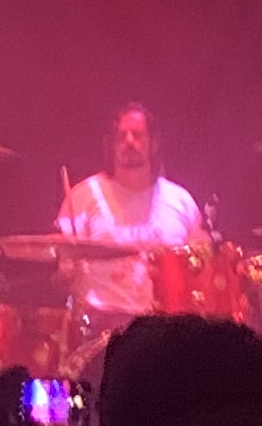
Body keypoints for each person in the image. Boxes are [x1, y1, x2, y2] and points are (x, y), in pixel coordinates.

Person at [55, 102, 206, 348]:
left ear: (153, 143)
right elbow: (61, 269)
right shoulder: (84, 197)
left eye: (137, 135)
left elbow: (200, 269)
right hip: (101, 330)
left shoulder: (181, 201)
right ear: (112, 145)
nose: (129, 141)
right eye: (121, 136)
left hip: (167, 329)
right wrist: (64, 275)